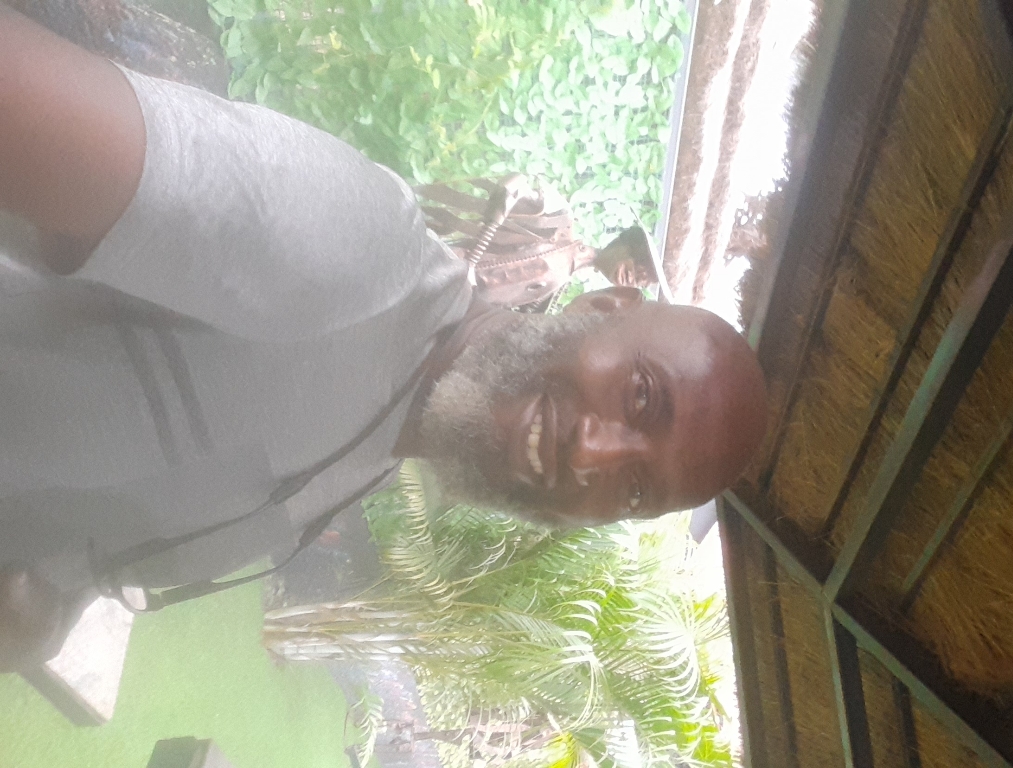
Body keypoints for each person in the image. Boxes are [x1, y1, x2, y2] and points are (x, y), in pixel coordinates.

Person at [0, 4, 768, 672]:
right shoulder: (353, 247)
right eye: (641, 397)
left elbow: (88, 513)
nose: (592, 454)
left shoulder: (373, 460)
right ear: (601, 307)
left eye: (632, 490)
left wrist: (43, 617)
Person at [418, 176, 674, 309]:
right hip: (438, 262)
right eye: (640, 266)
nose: (634, 278)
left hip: (445, 302)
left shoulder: (559, 287)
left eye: (642, 281)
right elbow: (515, 186)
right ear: (626, 244)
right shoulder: (559, 222)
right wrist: (472, 262)